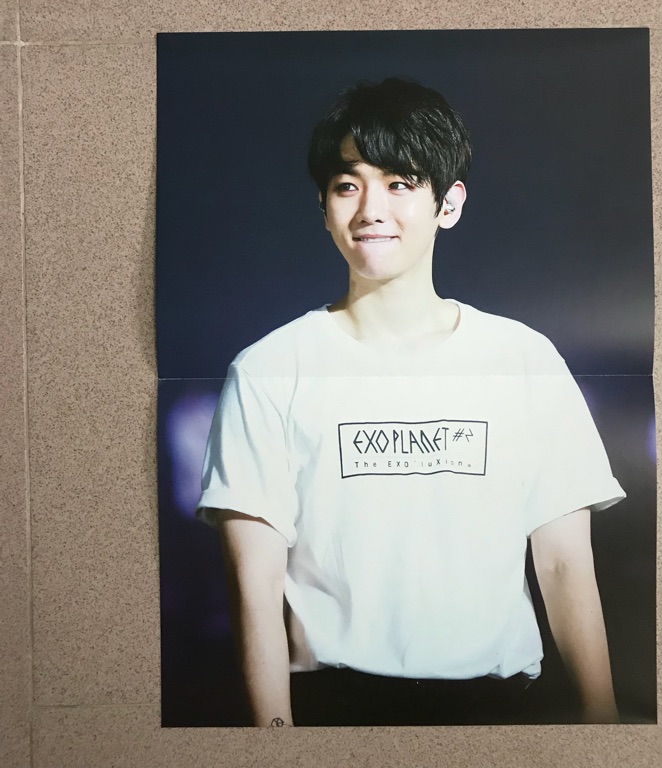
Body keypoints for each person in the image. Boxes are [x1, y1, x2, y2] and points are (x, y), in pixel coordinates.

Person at [197, 77, 626, 727]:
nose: (371, 209)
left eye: (400, 183)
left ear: (448, 204)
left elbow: (565, 563)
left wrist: (606, 726)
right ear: (323, 205)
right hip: (336, 708)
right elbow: (253, 590)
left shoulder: (522, 358)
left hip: (500, 708)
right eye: (348, 185)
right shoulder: (269, 370)